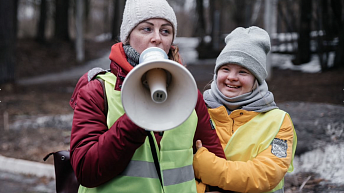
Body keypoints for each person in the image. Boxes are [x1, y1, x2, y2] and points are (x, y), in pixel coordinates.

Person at [69, 0, 225, 193]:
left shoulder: (189, 93)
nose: (157, 38)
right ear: (127, 37)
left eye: (165, 31)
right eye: (146, 29)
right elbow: (86, 171)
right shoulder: (97, 89)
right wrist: (137, 118)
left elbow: (217, 165)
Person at [193, 26, 297, 193]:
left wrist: (208, 168)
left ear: (256, 79)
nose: (232, 77)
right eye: (225, 69)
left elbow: (265, 175)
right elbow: (175, 170)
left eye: (243, 71)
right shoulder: (196, 112)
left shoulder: (278, 121)